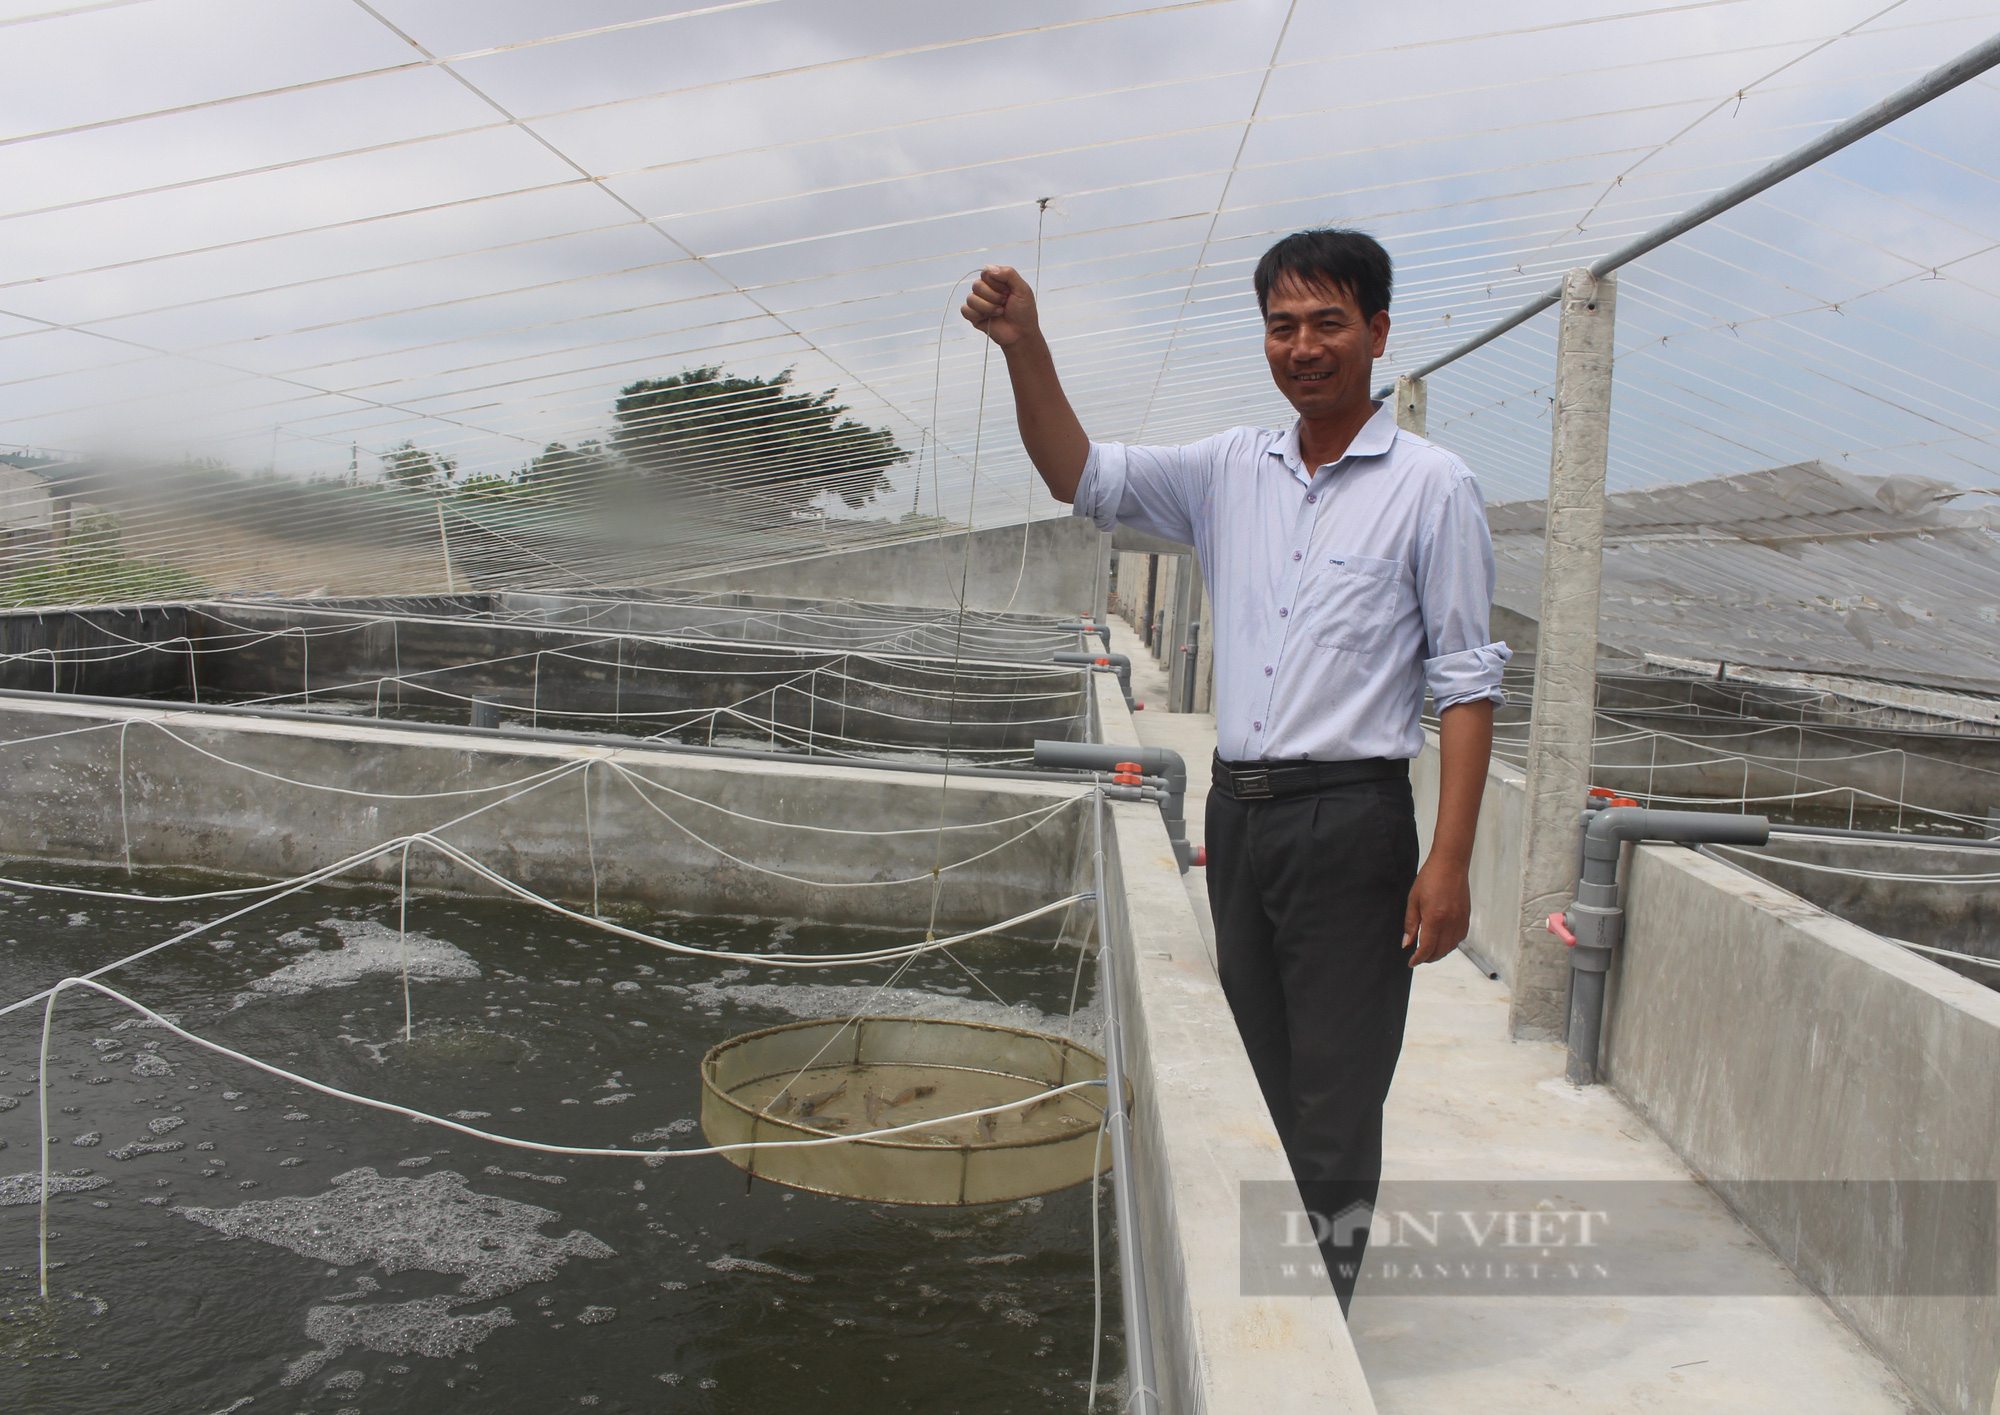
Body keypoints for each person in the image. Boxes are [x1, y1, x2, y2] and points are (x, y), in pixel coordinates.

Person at [961, 227, 1508, 1311]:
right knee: (1260, 1071)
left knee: (1336, 1094)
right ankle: (1271, 1299)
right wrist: (1025, 347)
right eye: (1281, 324)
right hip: (1243, 815)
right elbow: (1079, 473)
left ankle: (1320, 1319)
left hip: (1351, 820)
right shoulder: (1225, 471)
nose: (1302, 345)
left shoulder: (1431, 486)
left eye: (1327, 322)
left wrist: (1447, 858)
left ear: (1377, 333)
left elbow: (1465, 681)